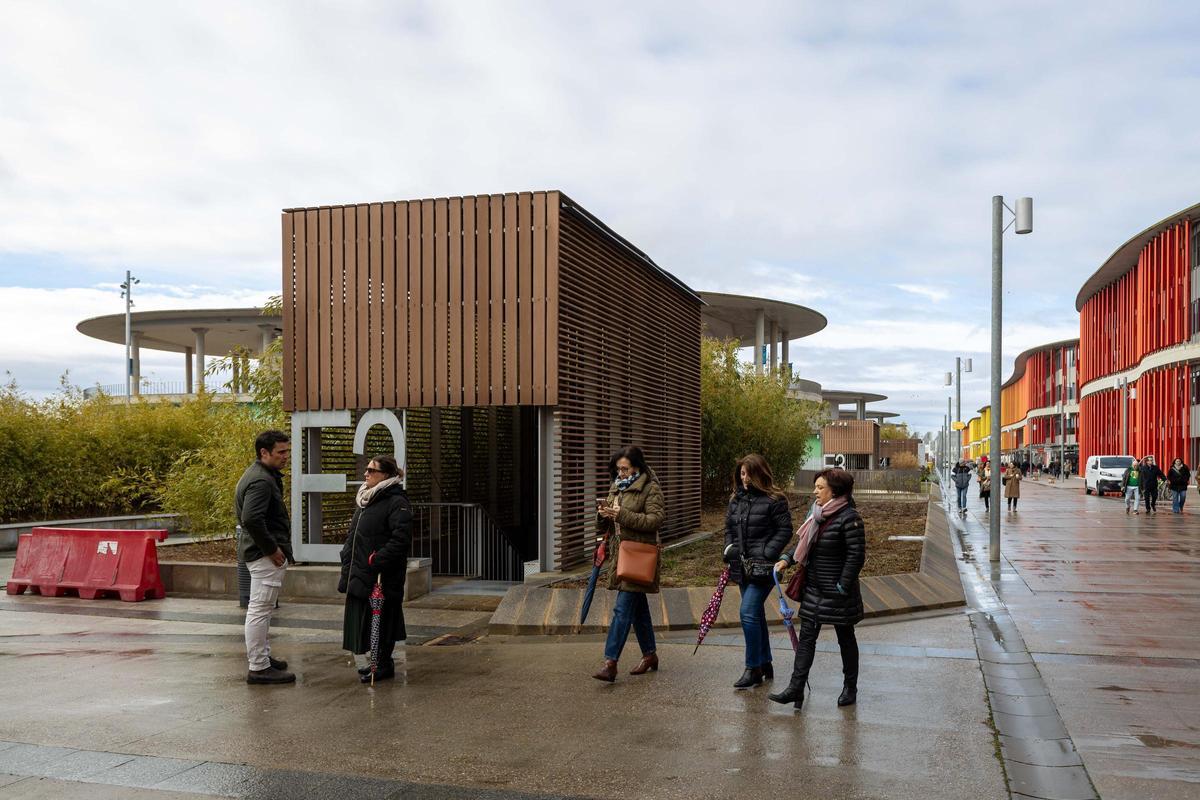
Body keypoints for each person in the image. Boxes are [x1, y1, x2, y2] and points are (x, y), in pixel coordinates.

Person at [769, 469, 866, 711]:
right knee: (806, 640)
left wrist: (843, 584)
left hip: (838, 592)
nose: (815, 491)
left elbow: (856, 556)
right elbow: (803, 542)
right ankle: (796, 688)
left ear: (835, 490)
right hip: (814, 588)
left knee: (846, 639)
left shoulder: (850, 518)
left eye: (820, 487)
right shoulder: (815, 514)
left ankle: (850, 687)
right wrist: (786, 559)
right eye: (816, 487)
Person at [593, 446, 666, 682]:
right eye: (618, 469)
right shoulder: (617, 485)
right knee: (638, 610)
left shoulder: (650, 487)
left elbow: (655, 520)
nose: (621, 473)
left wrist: (621, 515)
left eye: (625, 469)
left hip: (638, 555)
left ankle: (610, 663)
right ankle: (650, 655)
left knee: (622, 609)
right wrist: (602, 514)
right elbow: (607, 523)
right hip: (620, 554)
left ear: (637, 466)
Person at [338, 456, 412, 684]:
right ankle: (375, 663)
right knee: (367, 619)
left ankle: (382, 664)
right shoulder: (366, 498)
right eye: (366, 469)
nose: (366, 474)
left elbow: (401, 538)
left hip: (382, 573)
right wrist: (347, 557)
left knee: (383, 618)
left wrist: (379, 559)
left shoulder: (396, 501)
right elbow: (356, 534)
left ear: (387, 476)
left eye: (372, 470)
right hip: (361, 570)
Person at [722, 454, 793, 689]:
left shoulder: (775, 499)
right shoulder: (736, 500)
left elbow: (785, 530)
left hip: (763, 568)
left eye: (749, 474)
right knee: (756, 615)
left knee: (748, 612)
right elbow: (729, 528)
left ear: (760, 474)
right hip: (741, 566)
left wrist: (766, 552)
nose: (744, 478)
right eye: (742, 474)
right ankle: (765, 662)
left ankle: (752, 668)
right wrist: (729, 548)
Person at [235, 430, 296, 685]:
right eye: (281, 452)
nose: (286, 456)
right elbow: (251, 518)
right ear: (264, 452)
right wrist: (272, 549)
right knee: (260, 609)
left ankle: (262, 658)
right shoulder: (261, 480)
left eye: (287, 451)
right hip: (263, 556)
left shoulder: (259, 474)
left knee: (263, 609)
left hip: (259, 553)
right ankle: (259, 667)